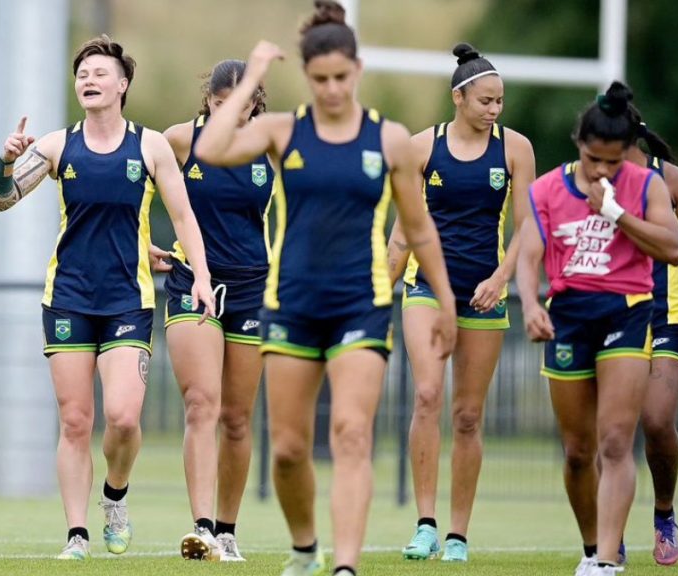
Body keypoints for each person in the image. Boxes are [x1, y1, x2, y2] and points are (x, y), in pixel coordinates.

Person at [194, 2, 457, 575]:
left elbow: (417, 228)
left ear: (357, 71)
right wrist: (255, 75)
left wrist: (446, 299)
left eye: (341, 77)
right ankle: (307, 548)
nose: (333, 89)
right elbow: (210, 148)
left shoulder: (388, 140)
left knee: (351, 433)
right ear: (307, 78)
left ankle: (345, 565)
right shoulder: (281, 130)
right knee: (288, 451)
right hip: (290, 304)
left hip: (362, 304)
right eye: (320, 79)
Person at [0, 35, 215, 561]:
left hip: (127, 301)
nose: (88, 80)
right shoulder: (57, 145)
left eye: (99, 72)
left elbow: (183, 217)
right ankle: (76, 535)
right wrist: (4, 161)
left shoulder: (150, 145)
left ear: (123, 84)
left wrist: (200, 275)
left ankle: (114, 495)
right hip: (66, 298)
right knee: (74, 421)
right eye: (82, 73)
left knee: (125, 418)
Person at [516, 81, 678, 576]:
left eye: (613, 161)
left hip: (626, 314)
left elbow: (672, 247)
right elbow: (528, 254)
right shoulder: (545, 189)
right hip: (568, 318)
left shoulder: (646, 186)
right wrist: (529, 304)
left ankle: (607, 560)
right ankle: (592, 546)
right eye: (594, 160)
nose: (603, 170)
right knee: (577, 452)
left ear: (627, 152)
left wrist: (615, 212)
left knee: (614, 440)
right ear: (579, 145)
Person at [387, 43, 535, 563]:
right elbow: (403, 229)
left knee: (468, 415)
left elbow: (527, 226)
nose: (494, 109)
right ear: (459, 97)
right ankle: (424, 524)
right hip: (426, 290)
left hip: (484, 296)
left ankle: (456, 535)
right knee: (427, 394)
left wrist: (501, 277)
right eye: (486, 101)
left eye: (499, 102)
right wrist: (382, 290)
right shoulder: (422, 147)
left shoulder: (515, 149)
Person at [162, 59, 272, 562]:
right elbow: (130, 193)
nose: (228, 113)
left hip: (253, 289)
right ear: (208, 99)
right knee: (201, 403)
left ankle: (227, 530)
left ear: (256, 102)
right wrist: (143, 245)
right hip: (192, 283)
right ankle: (202, 528)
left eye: (240, 105)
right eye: (219, 104)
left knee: (236, 418)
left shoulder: (270, 144)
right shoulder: (181, 140)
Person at [625, 118, 678, 566]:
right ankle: (607, 536)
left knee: (655, 420)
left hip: (669, 313)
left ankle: (664, 516)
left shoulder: (673, 181)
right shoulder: (585, 180)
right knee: (608, 431)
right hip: (615, 313)